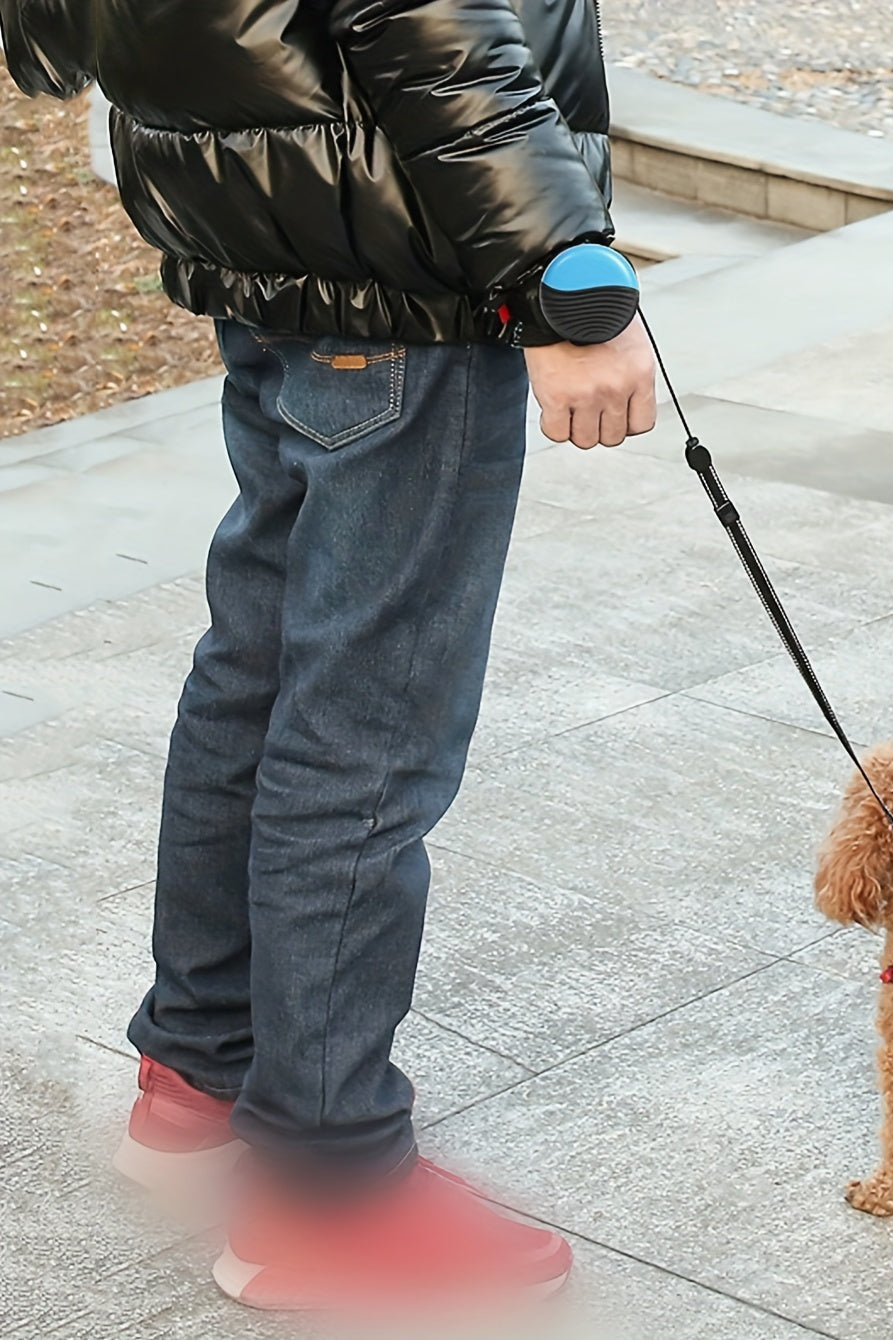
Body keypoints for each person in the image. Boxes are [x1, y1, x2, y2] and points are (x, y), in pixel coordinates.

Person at [1, 0, 657, 1311]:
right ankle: (326, 1183)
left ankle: (199, 1074)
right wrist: (568, 276)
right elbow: (437, 28)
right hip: (408, 258)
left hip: (269, 221)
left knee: (262, 672)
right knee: (367, 724)